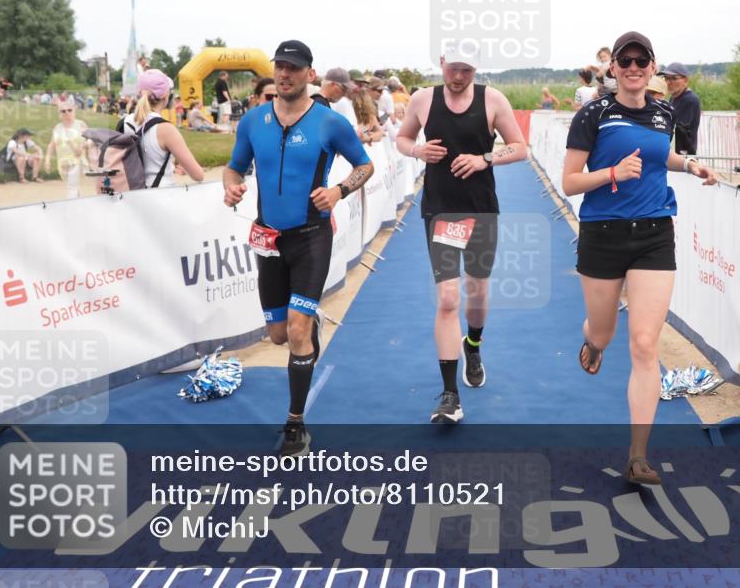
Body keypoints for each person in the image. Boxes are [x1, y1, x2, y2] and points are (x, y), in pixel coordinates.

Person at [562, 31, 718, 485]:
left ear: (653, 67)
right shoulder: (594, 114)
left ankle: (637, 456)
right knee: (606, 331)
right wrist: (611, 173)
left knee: (646, 345)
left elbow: (660, 155)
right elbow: (571, 181)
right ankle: (593, 340)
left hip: (653, 233)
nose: (632, 67)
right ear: (613, 68)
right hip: (602, 235)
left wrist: (689, 165)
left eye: (641, 60)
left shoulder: (663, 111)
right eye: (624, 61)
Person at [224, 39, 374, 456]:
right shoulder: (253, 121)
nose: (284, 75)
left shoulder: (329, 123)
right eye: (279, 67)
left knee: (296, 328)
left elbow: (365, 165)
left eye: (293, 68)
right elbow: (234, 166)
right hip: (268, 239)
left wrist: (339, 191)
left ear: (311, 74)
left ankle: (295, 423)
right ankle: (307, 329)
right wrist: (232, 187)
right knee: (276, 335)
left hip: (311, 237)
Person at [395, 44, 528, 424]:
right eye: (453, 69)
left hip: (482, 210)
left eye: (466, 71)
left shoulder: (493, 99)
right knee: (449, 298)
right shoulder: (422, 99)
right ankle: (450, 394)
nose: (458, 77)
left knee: (478, 289)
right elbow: (402, 140)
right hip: (440, 211)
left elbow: (520, 148)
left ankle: (473, 344)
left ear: (476, 69)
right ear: (441, 64)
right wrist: (418, 151)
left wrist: (484, 158)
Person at [131, 69, 205, 188]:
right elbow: (198, 175)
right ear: (165, 96)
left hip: (133, 193)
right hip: (161, 193)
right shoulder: (165, 128)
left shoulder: (125, 122)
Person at [44, 102, 88, 198]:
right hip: (63, 162)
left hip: (77, 160)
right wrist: (47, 160)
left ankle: (70, 208)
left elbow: (88, 140)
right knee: (73, 186)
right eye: (63, 111)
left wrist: (81, 146)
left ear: (74, 111)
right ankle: (81, 204)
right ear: (60, 113)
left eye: (69, 110)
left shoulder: (80, 124)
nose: (66, 112)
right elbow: (52, 145)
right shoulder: (57, 128)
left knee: (72, 187)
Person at [660, 63, 700, 155]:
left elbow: (679, 129)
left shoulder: (689, 100)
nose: (668, 83)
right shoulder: (673, 98)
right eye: (666, 78)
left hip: (683, 154)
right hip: (675, 152)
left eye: (674, 78)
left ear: (685, 81)